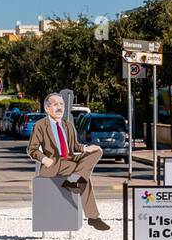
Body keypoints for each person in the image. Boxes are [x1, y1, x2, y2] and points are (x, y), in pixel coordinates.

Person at [27, 92, 110, 231]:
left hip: (70, 159)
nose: (60, 108)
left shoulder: (68, 125)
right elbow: (32, 149)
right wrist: (44, 159)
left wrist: (86, 148)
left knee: (97, 151)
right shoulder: (40, 126)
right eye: (56, 105)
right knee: (85, 178)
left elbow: (75, 146)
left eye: (62, 105)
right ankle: (93, 217)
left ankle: (74, 178)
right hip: (54, 163)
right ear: (47, 108)